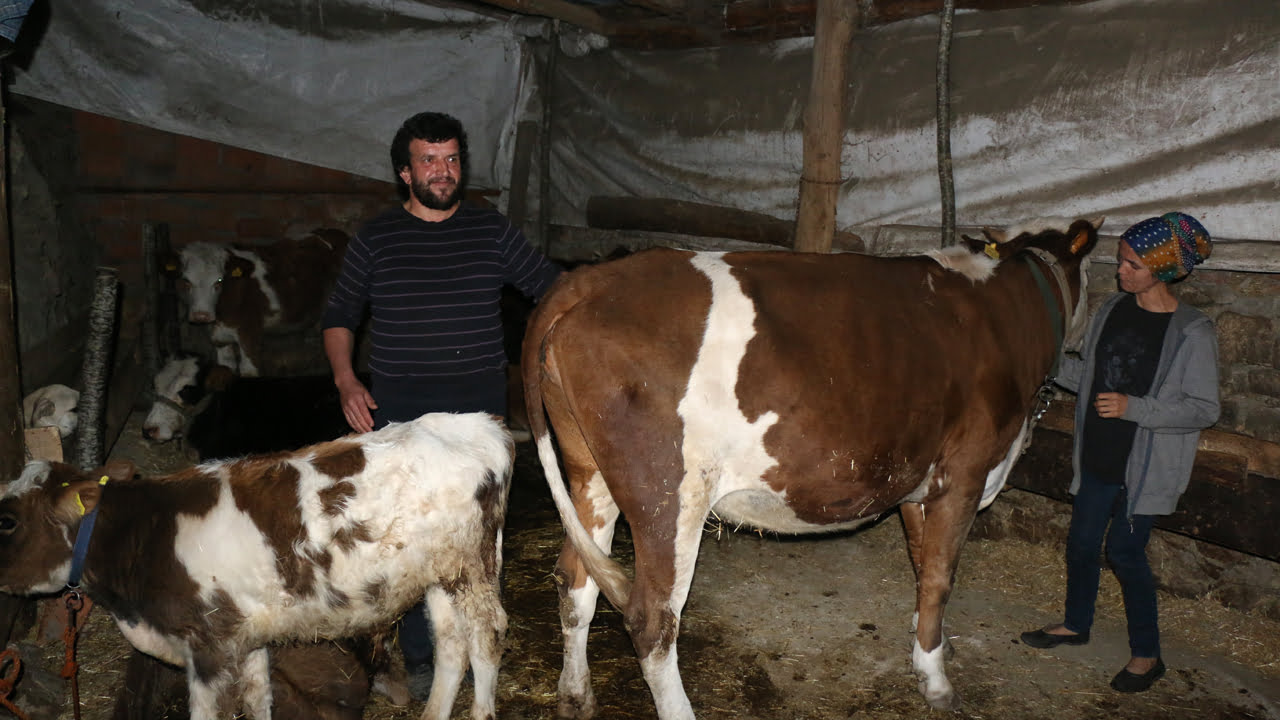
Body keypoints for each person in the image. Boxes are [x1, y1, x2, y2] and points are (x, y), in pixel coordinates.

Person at [322, 111, 562, 699]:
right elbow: (339, 316)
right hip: (399, 412)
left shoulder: (492, 232)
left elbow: (553, 289)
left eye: (452, 158)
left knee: (478, 539)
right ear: (406, 172)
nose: (443, 170)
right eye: (429, 160)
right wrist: (348, 382)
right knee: (402, 535)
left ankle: (480, 651)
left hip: (476, 421)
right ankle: (418, 655)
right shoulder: (376, 238)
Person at [1019, 212, 1220, 693]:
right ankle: (1075, 623)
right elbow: (1088, 378)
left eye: (1132, 264)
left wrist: (1136, 408)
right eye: (1121, 261)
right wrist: (1040, 362)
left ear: (1167, 269)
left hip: (1143, 468)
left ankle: (1147, 656)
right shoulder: (1112, 308)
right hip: (1098, 457)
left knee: (1126, 554)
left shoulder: (1192, 332)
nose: (1121, 270)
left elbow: (1203, 408)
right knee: (1082, 546)